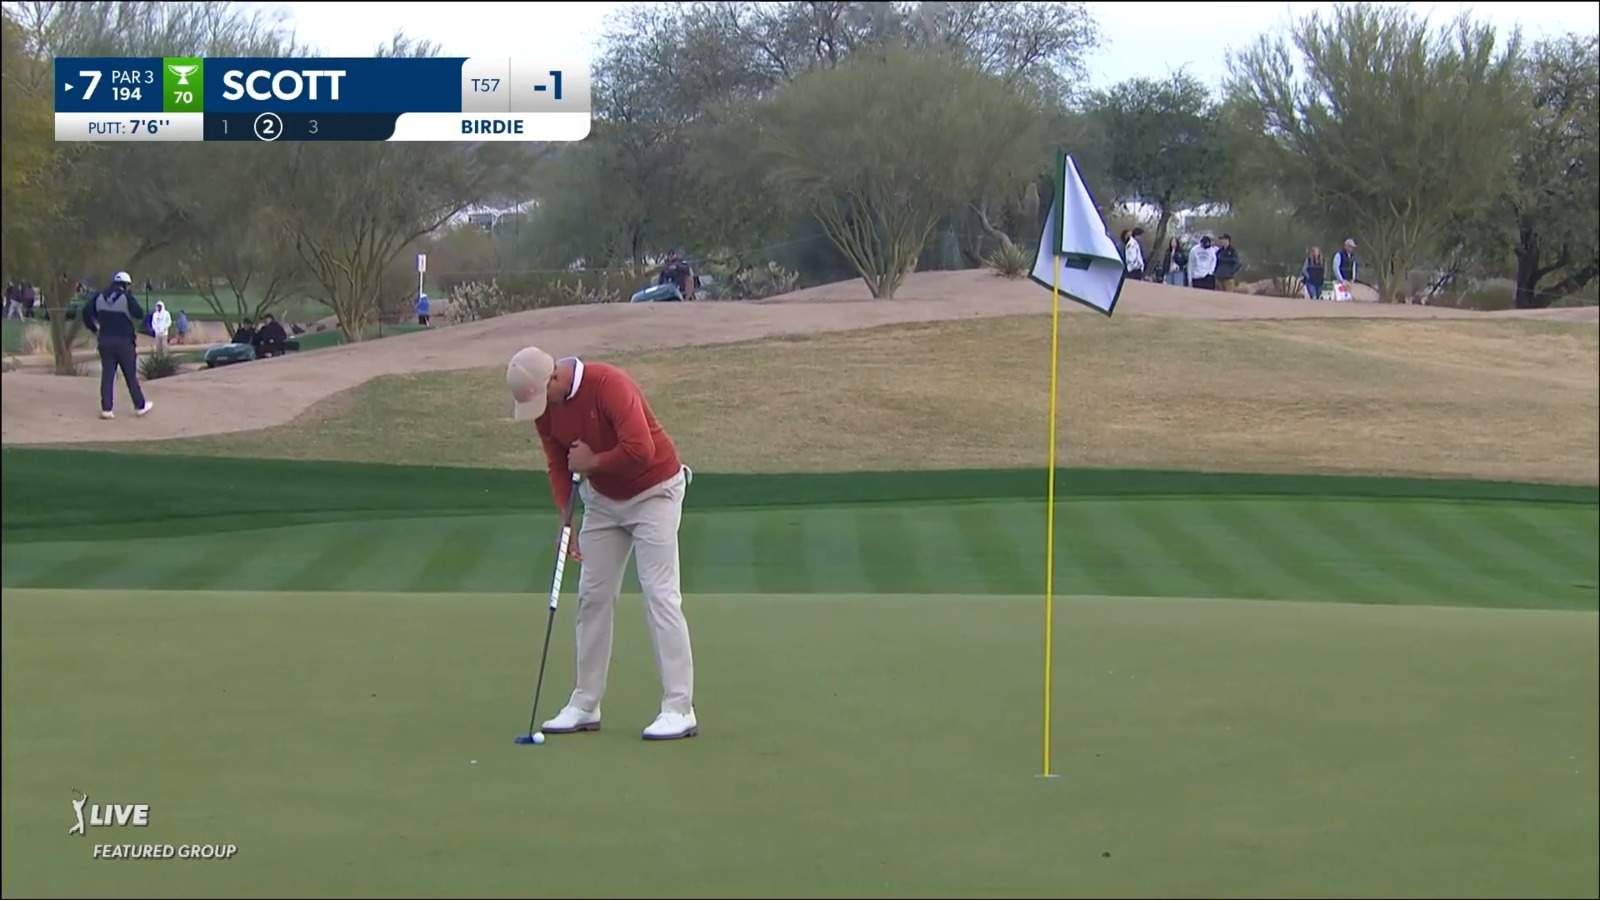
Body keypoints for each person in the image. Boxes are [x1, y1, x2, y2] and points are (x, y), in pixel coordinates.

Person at [507, 345, 699, 741]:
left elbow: (640, 450)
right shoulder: (546, 409)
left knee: (660, 595)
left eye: (543, 399)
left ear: (554, 379)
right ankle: (585, 703)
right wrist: (567, 518)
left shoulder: (610, 384)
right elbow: (557, 463)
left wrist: (592, 464)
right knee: (592, 597)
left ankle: (679, 708)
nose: (542, 411)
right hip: (603, 505)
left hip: (655, 492)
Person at [81, 271, 153, 420]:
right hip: (124, 342)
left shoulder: (98, 297)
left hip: (105, 341)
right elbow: (139, 313)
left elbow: (85, 313)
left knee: (107, 375)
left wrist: (94, 329)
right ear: (126, 285)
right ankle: (139, 406)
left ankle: (107, 409)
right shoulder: (126, 297)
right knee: (130, 376)